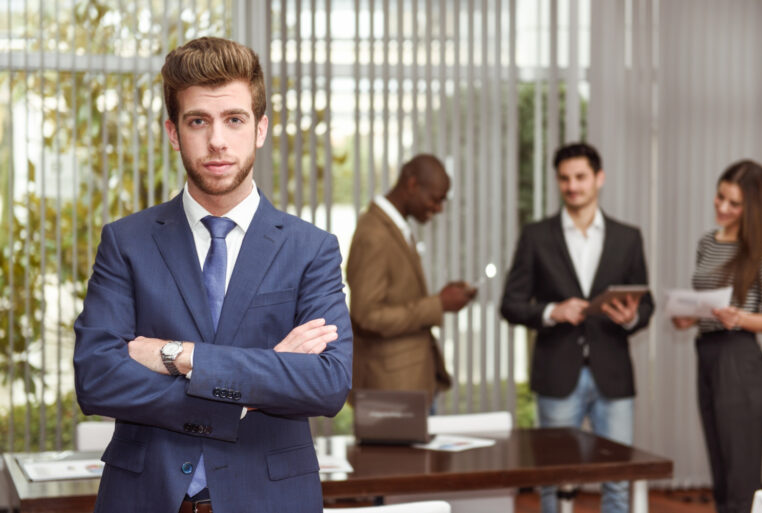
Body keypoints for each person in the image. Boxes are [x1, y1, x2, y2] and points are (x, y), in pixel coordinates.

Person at [73, 37, 352, 513]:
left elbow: (327, 383)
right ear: (173, 132)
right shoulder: (127, 242)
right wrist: (246, 389)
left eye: (234, 120)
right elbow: (98, 378)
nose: (217, 140)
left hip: (269, 500)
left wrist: (180, 355)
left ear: (261, 128)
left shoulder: (311, 249)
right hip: (145, 499)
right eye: (198, 121)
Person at [500, 142, 654, 513]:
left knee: (617, 480)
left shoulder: (627, 237)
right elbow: (511, 304)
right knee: (553, 478)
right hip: (557, 374)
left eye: (581, 177)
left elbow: (645, 305)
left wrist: (630, 316)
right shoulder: (536, 236)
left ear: (599, 179)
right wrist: (553, 311)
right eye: (565, 179)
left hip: (613, 375)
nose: (572, 186)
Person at [672, 160, 762, 513]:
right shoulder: (707, 242)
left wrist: (740, 318)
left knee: (741, 474)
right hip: (708, 354)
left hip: (740, 361)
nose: (722, 207)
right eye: (719, 197)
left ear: (753, 207)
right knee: (721, 469)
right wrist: (689, 319)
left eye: (734, 203)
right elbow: (706, 304)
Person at [346, 154, 476, 406]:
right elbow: (367, 316)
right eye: (436, 199)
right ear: (413, 185)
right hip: (391, 390)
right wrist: (438, 304)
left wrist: (443, 298)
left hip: (411, 382)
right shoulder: (374, 234)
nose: (438, 208)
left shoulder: (395, 227)